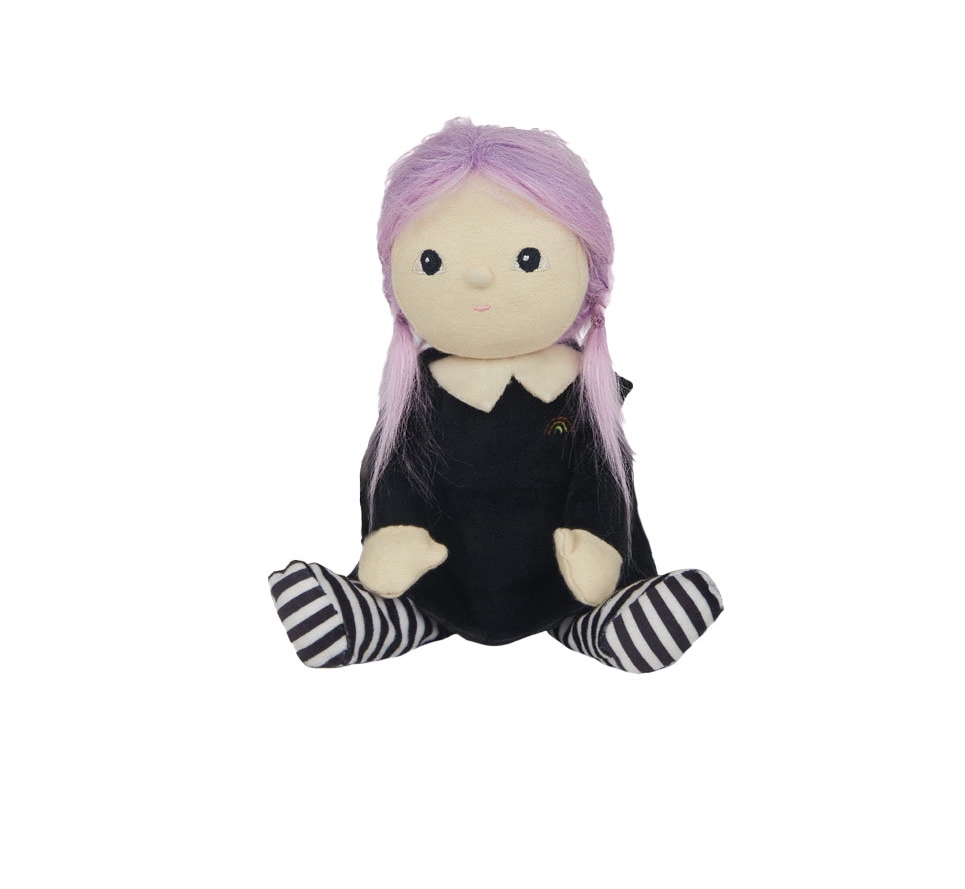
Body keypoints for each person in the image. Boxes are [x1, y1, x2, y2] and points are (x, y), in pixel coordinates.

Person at [268, 118, 723, 673]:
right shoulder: (419, 392)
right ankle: (374, 620)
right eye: (431, 261)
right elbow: (392, 473)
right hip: (440, 585)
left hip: (561, 585)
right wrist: (394, 532)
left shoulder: (581, 390)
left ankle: (607, 622)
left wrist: (597, 541)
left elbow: (603, 480)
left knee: (590, 596)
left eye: (527, 258)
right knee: (405, 597)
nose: (480, 278)